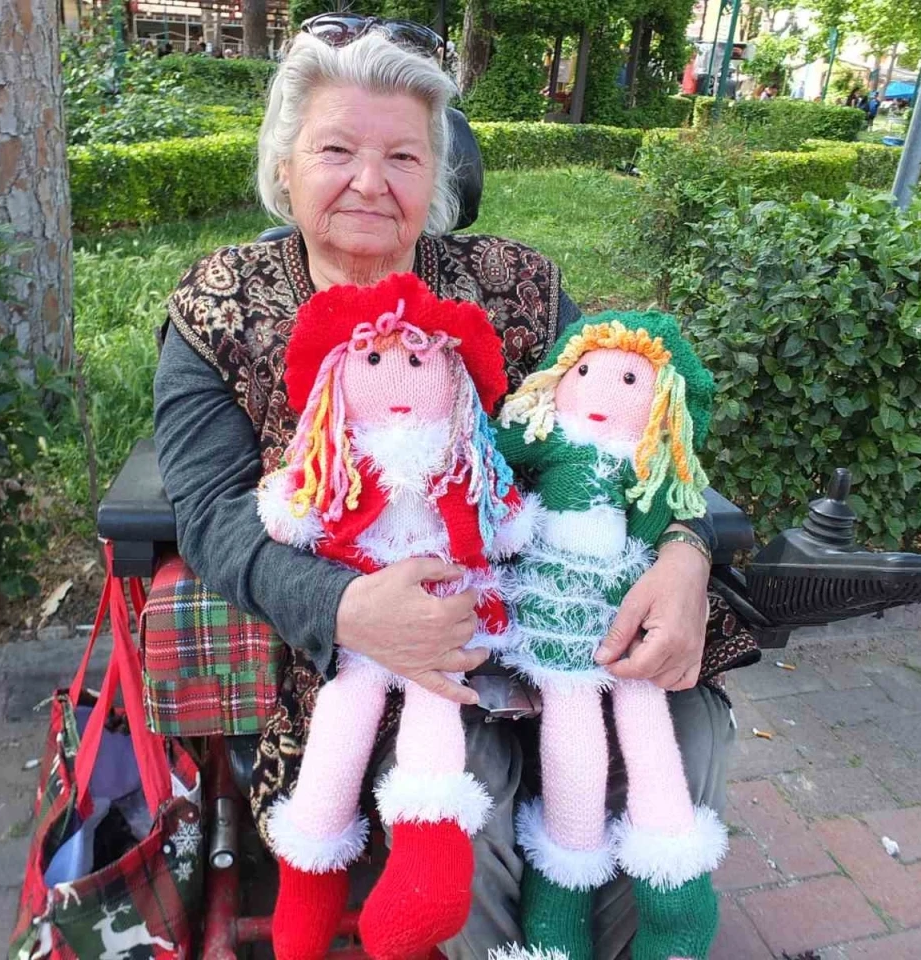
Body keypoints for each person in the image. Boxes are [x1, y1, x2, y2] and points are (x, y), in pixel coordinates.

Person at [153, 15, 751, 957]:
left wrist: (685, 555)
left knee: (687, 731)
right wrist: (347, 607)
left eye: (403, 156)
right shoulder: (218, 307)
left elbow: (642, 437)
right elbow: (212, 514)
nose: (370, 181)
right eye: (337, 150)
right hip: (372, 642)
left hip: (570, 607)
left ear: (438, 178)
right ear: (284, 166)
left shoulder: (515, 286)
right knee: (460, 787)